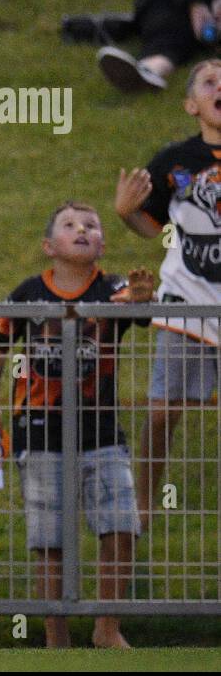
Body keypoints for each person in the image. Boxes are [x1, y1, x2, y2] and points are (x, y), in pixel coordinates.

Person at [0, 202, 149, 648]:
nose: (82, 230)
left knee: (121, 525)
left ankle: (107, 627)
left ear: (102, 244)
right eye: (69, 225)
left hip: (101, 430)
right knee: (49, 537)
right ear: (48, 246)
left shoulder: (113, 289)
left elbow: (139, 308)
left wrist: (143, 298)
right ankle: (56, 636)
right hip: (39, 430)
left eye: (91, 225)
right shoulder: (27, 295)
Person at [115, 58, 221, 529]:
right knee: (162, 411)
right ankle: (142, 505)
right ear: (191, 104)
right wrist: (124, 212)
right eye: (210, 81)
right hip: (187, 298)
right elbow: (148, 223)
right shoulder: (173, 161)